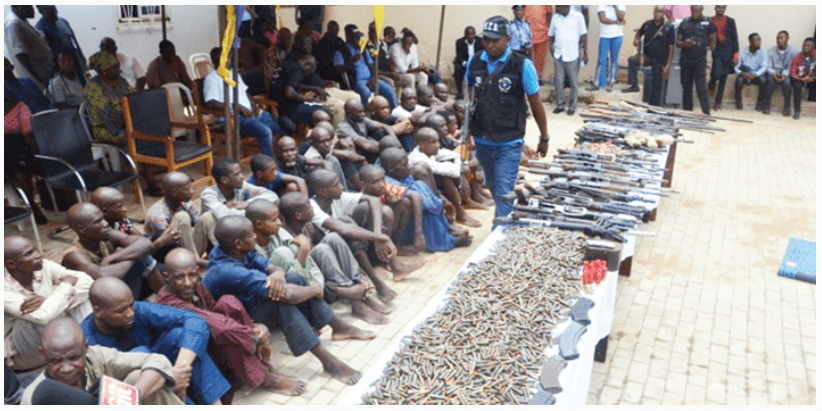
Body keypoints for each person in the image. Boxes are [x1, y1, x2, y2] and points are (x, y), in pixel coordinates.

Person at [203, 215, 374, 385]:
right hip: (238, 323)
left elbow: (269, 266)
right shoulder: (227, 270)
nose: (255, 236)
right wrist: (315, 289)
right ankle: (329, 362)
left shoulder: (231, 248)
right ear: (238, 243)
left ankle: (339, 327)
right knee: (282, 303)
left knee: (293, 278)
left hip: (251, 304)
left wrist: (277, 272)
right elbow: (288, 295)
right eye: (251, 235)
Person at [156, 248, 305, 397]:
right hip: (196, 359)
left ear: (197, 271)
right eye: (179, 278)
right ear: (166, 278)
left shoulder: (196, 286)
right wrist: (251, 333)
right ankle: (265, 378)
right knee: (224, 332)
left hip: (212, 342)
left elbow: (213, 310)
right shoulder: (168, 302)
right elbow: (213, 323)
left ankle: (259, 365)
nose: (188, 283)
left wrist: (252, 326)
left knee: (228, 302)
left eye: (192, 275)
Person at [82, 277, 230, 404]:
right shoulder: (85, 339)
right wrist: (168, 377)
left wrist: (177, 370)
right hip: (133, 390)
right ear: (98, 312)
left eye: (131, 305)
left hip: (162, 368)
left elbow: (195, 321)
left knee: (180, 337)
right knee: (140, 354)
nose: (130, 313)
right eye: (121, 311)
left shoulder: (137, 310)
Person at [248, 198, 393, 323]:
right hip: (297, 290)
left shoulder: (278, 234)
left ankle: (360, 292)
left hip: (309, 276)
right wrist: (304, 251)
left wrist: (305, 251)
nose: (279, 223)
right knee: (314, 251)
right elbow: (295, 279)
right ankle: (354, 298)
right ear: (259, 225)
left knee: (332, 239)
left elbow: (308, 266)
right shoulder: (253, 253)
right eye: (274, 220)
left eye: (279, 218)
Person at [465, 15, 550, 218]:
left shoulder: (523, 65)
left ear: (508, 39)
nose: (490, 44)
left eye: (496, 40)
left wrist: (544, 136)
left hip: (510, 141)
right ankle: (511, 212)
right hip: (482, 139)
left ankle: (501, 228)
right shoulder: (475, 61)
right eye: (486, 39)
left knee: (503, 188)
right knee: (493, 186)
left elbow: (535, 103)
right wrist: (467, 108)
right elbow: (467, 86)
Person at [21, 317, 184, 405]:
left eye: (73, 358)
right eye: (55, 361)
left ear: (85, 348)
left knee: (139, 377)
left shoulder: (94, 356)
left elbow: (156, 360)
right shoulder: (34, 398)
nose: (66, 368)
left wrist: (132, 398)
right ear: (42, 355)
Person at [307, 169, 423, 287]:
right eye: (336, 185)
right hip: (331, 257)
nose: (341, 186)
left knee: (366, 207)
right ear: (322, 191)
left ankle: (396, 266)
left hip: (350, 247)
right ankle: (377, 281)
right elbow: (344, 229)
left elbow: (373, 199)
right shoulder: (312, 208)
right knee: (345, 222)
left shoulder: (336, 197)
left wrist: (378, 236)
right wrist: (382, 237)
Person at [4, 236, 93, 373]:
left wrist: (47, 299)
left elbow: (87, 281)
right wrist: (65, 286)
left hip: (53, 337)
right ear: (11, 264)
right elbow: (41, 316)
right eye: (29, 254)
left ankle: (89, 346)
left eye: (35, 250)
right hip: (22, 353)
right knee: (34, 319)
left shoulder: (43, 265)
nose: (38, 255)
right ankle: (75, 350)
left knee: (82, 298)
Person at [381, 148, 472, 251]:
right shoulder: (387, 184)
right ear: (390, 168)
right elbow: (416, 197)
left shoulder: (401, 175)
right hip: (396, 229)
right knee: (424, 205)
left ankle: (444, 234)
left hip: (409, 218)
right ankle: (440, 241)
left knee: (421, 187)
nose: (407, 167)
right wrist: (418, 233)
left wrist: (440, 201)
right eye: (403, 164)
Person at [204, 47, 282, 157]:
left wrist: (254, 104)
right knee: (266, 132)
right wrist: (236, 106)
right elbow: (210, 103)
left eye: (227, 58)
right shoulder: (212, 79)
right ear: (213, 61)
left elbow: (245, 92)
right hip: (234, 119)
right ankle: (268, 164)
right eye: (221, 59)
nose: (225, 61)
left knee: (282, 125)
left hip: (251, 113)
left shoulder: (233, 74)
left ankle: (284, 159)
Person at [89, 187, 181, 263]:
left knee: (162, 233)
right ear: (105, 211)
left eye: (124, 205)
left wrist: (126, 224)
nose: (125, 209)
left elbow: (139, 237)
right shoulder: (104, 232)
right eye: (119, 206)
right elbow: (135, 253)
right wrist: (161, 241)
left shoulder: (118, 220)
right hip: (129, 261)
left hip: (139, 250)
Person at [145, 172, 216, 263]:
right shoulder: (158, 215)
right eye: (187, 189)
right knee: (182, 216)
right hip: (169, 254)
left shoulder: (184, 202)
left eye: (191, 187)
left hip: (187, 247)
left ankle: (219, 254)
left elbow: (198, 223)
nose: (192, 191)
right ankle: (195, 263)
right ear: (174, 192)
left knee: (207, 216)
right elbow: (168, 243)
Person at [358, 165, 427, 256]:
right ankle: (385, 251)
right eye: (375, 182)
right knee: (387, 212)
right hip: (373, 238)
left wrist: (418, 233)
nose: (381, 184)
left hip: (388, 229)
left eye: (382, 179)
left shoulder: (384, 188)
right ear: (363, 184)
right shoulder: (360, 199)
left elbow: (415, 196)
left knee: (405, 202)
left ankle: (397, 245)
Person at [334, 24, 398, 109]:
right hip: (357, 82)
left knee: (388, 89)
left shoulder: (363, 49)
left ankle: (395, 111)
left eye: (359, 37)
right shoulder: (341, 51)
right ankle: (364, 114)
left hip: (370, 79)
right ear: (348, 36)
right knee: (366, 93)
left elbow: (371, 64)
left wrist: (374, 77)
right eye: (356, 37)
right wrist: (352, 61)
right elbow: (339, 70)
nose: (359, 39)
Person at [621, 6, 675, 107]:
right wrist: (636, 39)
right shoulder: (647, 24)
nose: (657, 14)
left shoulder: (668, 27)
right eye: (655, 12)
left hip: (660, 59)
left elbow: (671, 47)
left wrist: (668, 65)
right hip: (647, 57)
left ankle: (654, 106)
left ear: (664, 13)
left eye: (660, 12)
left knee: (656, 83)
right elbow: (639, 33)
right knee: (632, 60)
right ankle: (634, 85)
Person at [200, 157, 279, 221]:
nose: (242, 177)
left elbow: (272, 195)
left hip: (236, 229)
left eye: (241, 172)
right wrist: (252, 210)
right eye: (237, 174)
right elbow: (224, 216)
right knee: (208, 218)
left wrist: (247, 204)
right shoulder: (208, 195)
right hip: (215, 234)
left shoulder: (241, 186)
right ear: (224, 180)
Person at [84, 51, 134, 143]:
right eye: (114, 68)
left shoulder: (120, 81)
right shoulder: (93, 87)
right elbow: (106, 113)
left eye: (118, 66)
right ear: (104, 71)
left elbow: (134, 98)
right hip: (107, 129)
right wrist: (129, 116)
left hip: (127, 123)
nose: (119, 71)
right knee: (135, 138)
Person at [548, 6, 588, 115]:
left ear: (568, 6)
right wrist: (550, 46)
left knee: (573, 83)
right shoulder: (555, 18)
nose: (559, 8)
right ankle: (560, 105)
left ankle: (572, 106)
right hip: (559, 55)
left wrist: (586, 52)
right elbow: (551, 35)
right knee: (559, 81)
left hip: (572, 55)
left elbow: (583, 35)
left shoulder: (578, 16)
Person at [677, 5, 716, 115]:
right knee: (686, 87)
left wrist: (706, 48)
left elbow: (713, 39)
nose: (695, 13)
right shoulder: (684, 23)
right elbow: (677, 42)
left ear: (702, 10)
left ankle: (706, 113)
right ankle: (687, 112)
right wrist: (685, 43)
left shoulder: (708, 22)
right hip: (686, 59)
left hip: (699, 60)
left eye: (698, 11)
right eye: (693, 11)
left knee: (701, 87)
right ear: (690, 10)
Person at [4, 5, 53, 91]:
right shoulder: (13, 24)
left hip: (46, 77)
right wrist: (40, 80)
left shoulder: (22, 21)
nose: (33, 8)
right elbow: (20, 55)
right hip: (38, 82)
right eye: (29, 5)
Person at [268, 52, 326, 125]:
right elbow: (289, 93)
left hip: (278, 106)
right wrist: (306, 99)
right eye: (310, 71)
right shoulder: (297, 71)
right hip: (289, 109)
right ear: (307, 65)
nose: (308, 74)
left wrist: (314, 88)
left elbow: (291, 84)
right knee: (326, 111)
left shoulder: (286, 64)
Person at [34, 5, 85, 84]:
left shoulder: (63, 21)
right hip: (61, 70)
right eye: (50, 10)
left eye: (55, 8)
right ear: (41, 12)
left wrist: (82, 60)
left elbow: (74, 42)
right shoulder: (39, 29)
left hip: (76, 63)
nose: (55, 12)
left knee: (84, 86)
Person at [337, 98, 398, 163]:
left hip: (367, 146)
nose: (363, 114)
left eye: (363, 111)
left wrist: (394, 139)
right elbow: (366, 145)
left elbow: (384, 126)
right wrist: (391, 148)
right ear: (350, 114)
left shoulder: (360, 118)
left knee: (381, 131)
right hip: (356, 155)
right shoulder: (344, 128)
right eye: (360, 112)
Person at [304, 125, 356, 191]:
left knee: (333, 160)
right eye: (322, 142)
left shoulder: (324, 149)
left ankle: (343, 193)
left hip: (333, 187)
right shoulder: (311, 159)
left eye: (328, 140)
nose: (327, 144)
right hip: (322, 191)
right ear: (314, 143)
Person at [708, 5, 739, 111]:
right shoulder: (710, 20)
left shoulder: (730, 21)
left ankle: (718, 103)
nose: (721, 10)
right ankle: (712, 82)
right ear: (715, 8)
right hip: (717, 50)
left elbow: (735, 39)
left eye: (723, 8)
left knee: (723, 78)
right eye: (719, 7)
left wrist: (736, 55)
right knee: (716, 73)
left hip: (728, 52)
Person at [590, 5, 626, 91]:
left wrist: (615, 6)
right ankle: (599, 83)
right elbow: (602, 19)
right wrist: (616, 22)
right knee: (602, 60)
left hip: (617, 36)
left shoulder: (621, 4)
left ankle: (611, 81)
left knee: (614, 59)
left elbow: (621, 17)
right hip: (605, 36)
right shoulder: (602, 5)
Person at [765, 31, 799, 116]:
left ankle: (787, 107)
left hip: (786, 73)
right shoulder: (771, 51)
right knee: (770, 81)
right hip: (774, 73)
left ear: (787, 39)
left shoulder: (794, 51)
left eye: (781, 38)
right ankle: (766, 105)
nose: (778, 40)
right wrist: (774, 73)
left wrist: (784, 74)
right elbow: (768, 67)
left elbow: (794, 66)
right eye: (777, 38)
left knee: (787, 82)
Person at [734, 33, 768, 112]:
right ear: (750, 41)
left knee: (763, 81)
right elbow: (736, 67)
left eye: (759, 40)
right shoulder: (743, 51)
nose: (758, 42)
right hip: (745, 74)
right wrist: (742, 73)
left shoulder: (763, 52)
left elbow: (764, 67)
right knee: (738, 80)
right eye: (756, 40)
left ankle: (759, 103)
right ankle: (738, 102)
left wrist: (755, 74)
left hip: (757, 74)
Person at [524, 6, 553, 85]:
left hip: (542, 32)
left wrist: (551, 30)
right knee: (526, 59)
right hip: (528, 34)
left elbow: (549, 14)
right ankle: (527, 79)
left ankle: (538, 78)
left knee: (540, 59)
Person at [789, 37, 815, 120]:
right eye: (804, 45)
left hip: (813, 78)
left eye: (808, 46)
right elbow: (792, 74)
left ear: (813, 48)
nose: (805, 47)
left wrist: (812, 76)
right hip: (800, 78)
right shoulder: (797, 56)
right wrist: (802, 79)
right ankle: (797, 111)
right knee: (797, 85)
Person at [454, 26, 483, 98]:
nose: (470, 36)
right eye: (468, 34)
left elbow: (483, 54)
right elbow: (459, 56)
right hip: (465, 63)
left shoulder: (481, 41)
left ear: (475, 34)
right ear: (465, 35)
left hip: (477, 63)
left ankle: (480, 92)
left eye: (472, 34)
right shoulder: (459, 42)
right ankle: (460, 92)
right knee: (458, 68)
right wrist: (465, 64)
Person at [315, 21, 346, 85]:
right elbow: (323, 61)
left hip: (341, 67)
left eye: (337, 30)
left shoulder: (339, 41)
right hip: (328, 71)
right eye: (334, 30)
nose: (337, 32)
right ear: (329, 29)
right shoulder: (322, 43)